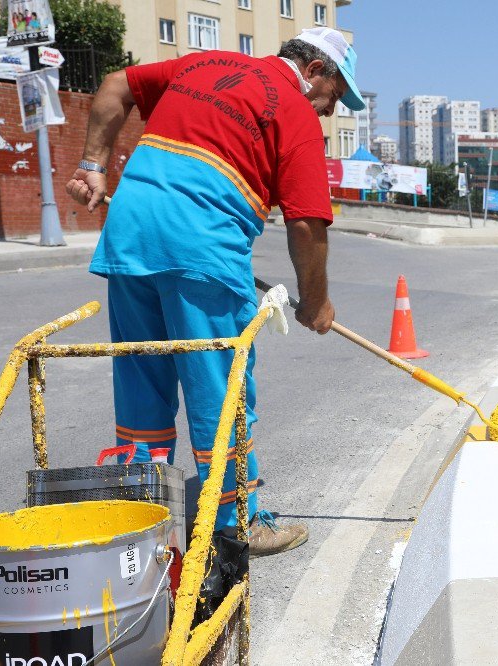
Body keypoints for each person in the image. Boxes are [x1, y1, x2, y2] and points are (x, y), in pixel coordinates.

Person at [65, 28, 365, 557]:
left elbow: (115, 85)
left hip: (131, 235)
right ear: (314, 71)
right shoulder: (293, 111)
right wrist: (315, 302)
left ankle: (144, 517)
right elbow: (308, 225)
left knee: (142, 376)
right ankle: (237, 522)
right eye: (334, 97)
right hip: (202, 251)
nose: (327, 111)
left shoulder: (202, 65)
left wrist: (92, 165)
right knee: (218, 393)